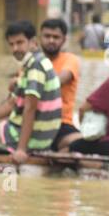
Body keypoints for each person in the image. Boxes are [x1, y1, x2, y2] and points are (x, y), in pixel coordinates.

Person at [0, 20, 62, 164]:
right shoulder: (37, 62)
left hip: (32, 140)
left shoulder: (35, 66)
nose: (15, 48)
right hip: (38, 137)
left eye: (20, 43)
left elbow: (30, 108)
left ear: (33, 42)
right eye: (12, 44)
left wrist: (21, 149)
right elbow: (11, 104)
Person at [39, 17, 81, 150]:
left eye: (56, 37)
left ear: (63, 40)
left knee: (81, 144)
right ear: (40, 38)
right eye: (47, 36)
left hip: (62, 123)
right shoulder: (33, 61)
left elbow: (59, 80)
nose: (51, 40)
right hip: (34, 122)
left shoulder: (70, 59)